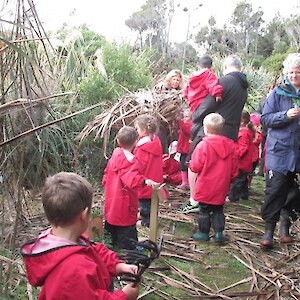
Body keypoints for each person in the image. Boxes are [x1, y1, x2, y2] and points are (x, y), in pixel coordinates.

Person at [21, 172, 140, 300]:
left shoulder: (57, 241)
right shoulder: (74, 271)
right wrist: (124, 296)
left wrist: (119, 266)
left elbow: (94, 251)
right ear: (84, 215)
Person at [181, 55, 249, 212]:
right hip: (230, 133)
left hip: (212, 131)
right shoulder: (243, 86)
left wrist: (196, 115)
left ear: (225, 66)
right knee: (219, 170)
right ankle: (214, 202)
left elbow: (206, 106)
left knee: (194, 164)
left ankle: (195, 201)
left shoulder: (224, 82)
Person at [260, 53, 300, 249]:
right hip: (279, 151)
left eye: (297, 72)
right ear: (286, 73)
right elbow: (265, 119)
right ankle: (269, 229)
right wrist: (285, 115)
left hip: (298, 152)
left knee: (294, 191)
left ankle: (286, 227)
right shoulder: (278, 93)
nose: (294, 76)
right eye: (291, 72)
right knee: (275, 189)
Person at [102, 126, 159, 250]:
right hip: (125, 202)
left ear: (118, 141)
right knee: (126, 227)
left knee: (111, 222)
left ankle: (111, 244)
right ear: (135, 142)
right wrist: (145, 181)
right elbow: (132, 180)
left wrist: (107, 183)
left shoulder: (115, 155)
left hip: (112, 198)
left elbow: (106, 174)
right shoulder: (131, 162)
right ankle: (129, 249)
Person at [189, 113, 238, 243]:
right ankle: (218, 234)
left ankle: (203, 233)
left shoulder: (203, 145)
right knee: (218, 210)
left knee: (204, 211)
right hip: (222, 185)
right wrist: (231, 179)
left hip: (205, 185)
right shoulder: (231, 146)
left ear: (205, 129)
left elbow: (195, 166)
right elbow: (234, 167)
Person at [134, 114, 164, 227]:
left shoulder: (142, 148)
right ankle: (148, 217)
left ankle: (146, 222)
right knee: (152, 201)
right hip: (156, 177)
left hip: (146, 179)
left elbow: (139, 165)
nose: (137, 131)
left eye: (137, 129)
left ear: (144, 130)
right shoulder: (156, 141)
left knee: (144, 202)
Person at [227, 110, 255, 202]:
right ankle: (244, 195)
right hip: (245, 161)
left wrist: (236, 155)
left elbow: (243, 147)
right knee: (243, 179)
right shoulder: (245, 132)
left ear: (242, 120)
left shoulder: (243, 133)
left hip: (242, 162)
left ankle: (233, 197)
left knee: (238, 180)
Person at [176, 108, 192, 189]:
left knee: (187, 165)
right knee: (182, 165)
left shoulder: (191, 126)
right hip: (183, 149)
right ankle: (185, 181)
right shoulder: (186, 125)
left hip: (188, 150)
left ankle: (187, 182)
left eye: (187, 116)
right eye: (184, 116)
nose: (185, 119)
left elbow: (186, 130)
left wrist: (180, 122)